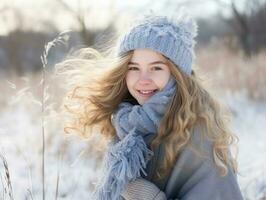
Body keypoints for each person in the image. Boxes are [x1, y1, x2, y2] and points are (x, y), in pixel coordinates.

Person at [58, 10, 244, 200]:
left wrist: (150, 196)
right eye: (134, 68)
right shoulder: (126, 123)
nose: (143, 79)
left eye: (156, 68)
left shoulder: (199, 134)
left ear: (177, 75)